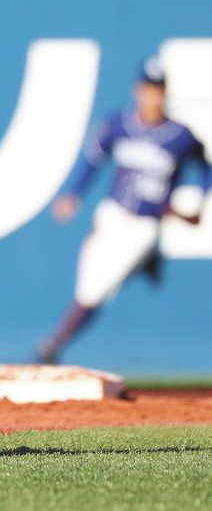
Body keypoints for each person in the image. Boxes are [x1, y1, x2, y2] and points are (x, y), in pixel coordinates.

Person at [36, 56, 210, 364]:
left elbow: (206, 167)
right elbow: (93, 160)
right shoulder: (119, 124)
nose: (152, 96)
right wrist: (73, 195)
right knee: (87, 281)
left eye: (158, 89)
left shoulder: (180, 136)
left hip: (146, 224)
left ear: (165, 93)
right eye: (148, 88)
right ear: (137, 90)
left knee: (95, 289)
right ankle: (148, 261)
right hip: (112, 214)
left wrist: (199, 201)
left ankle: (54, 344)